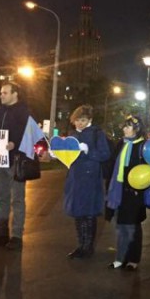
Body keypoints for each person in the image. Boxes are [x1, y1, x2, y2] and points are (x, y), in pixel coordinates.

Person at [0, 83, 34, 251]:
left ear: (15, 94)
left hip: (16, 161)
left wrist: (15, 143)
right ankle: (1, 232)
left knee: (17, 199)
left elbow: (31, 134)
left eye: (5, 93)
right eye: (0, 93)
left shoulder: (23, 112)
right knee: (1, 197)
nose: (1, 95)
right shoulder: (0, 112)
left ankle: (17, 236)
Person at [62, 105, 110, 259]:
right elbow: (69, 157)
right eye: (77, 120)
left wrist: (89, 151)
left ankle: (87, 247)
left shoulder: (97, 133)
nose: (79, 123)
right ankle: (81, 245)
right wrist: (59, 153)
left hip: (90, 178)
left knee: (88, 213)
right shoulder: (73, 135)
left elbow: (105, 154)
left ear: (90, 120)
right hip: (75, 178)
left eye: (83, 120)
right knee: (77, 212)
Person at [106, 115, 147, 270]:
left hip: (135, 192)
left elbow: (146, 170)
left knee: (133, 226)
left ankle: (133, 260)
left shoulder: (143, 146)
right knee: (121, 225)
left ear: (137, 129)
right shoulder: (121, 144)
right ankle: (121, 257)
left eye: (128, 126)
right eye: (124, 126)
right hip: (119, 190)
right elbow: (112, 164)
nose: (124, 129)